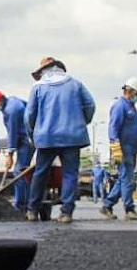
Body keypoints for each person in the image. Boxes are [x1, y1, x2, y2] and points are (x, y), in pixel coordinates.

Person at [25, 57, 96, 224]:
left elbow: (29, 115)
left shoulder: (38, 87)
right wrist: (81, 122)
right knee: (70, 174)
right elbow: (90, 105)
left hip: (46, 137)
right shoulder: (75, 83)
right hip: (72, 136)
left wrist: (33, 135)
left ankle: (32, 211)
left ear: (43, 71)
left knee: (40, 173)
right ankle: (66, 213)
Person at [102, 77, 137, 221]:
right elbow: (113, 127)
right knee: (127, 180)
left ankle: (107, 205)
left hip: (131, 148)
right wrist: (115, 146)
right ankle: (129, 209)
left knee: (123, 179)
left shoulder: (131, 107)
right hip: (124, 148)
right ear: (130, 91)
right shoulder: (120, 106)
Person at [0, 89, 33, 215]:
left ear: (0, 100)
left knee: (20, 172)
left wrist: (10, 155)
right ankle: (25, 203)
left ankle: (22, 206)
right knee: (21, 172)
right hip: (24, 140)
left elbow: (13, 133)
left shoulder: (11, 110)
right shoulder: (13, 101)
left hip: (26, 141)